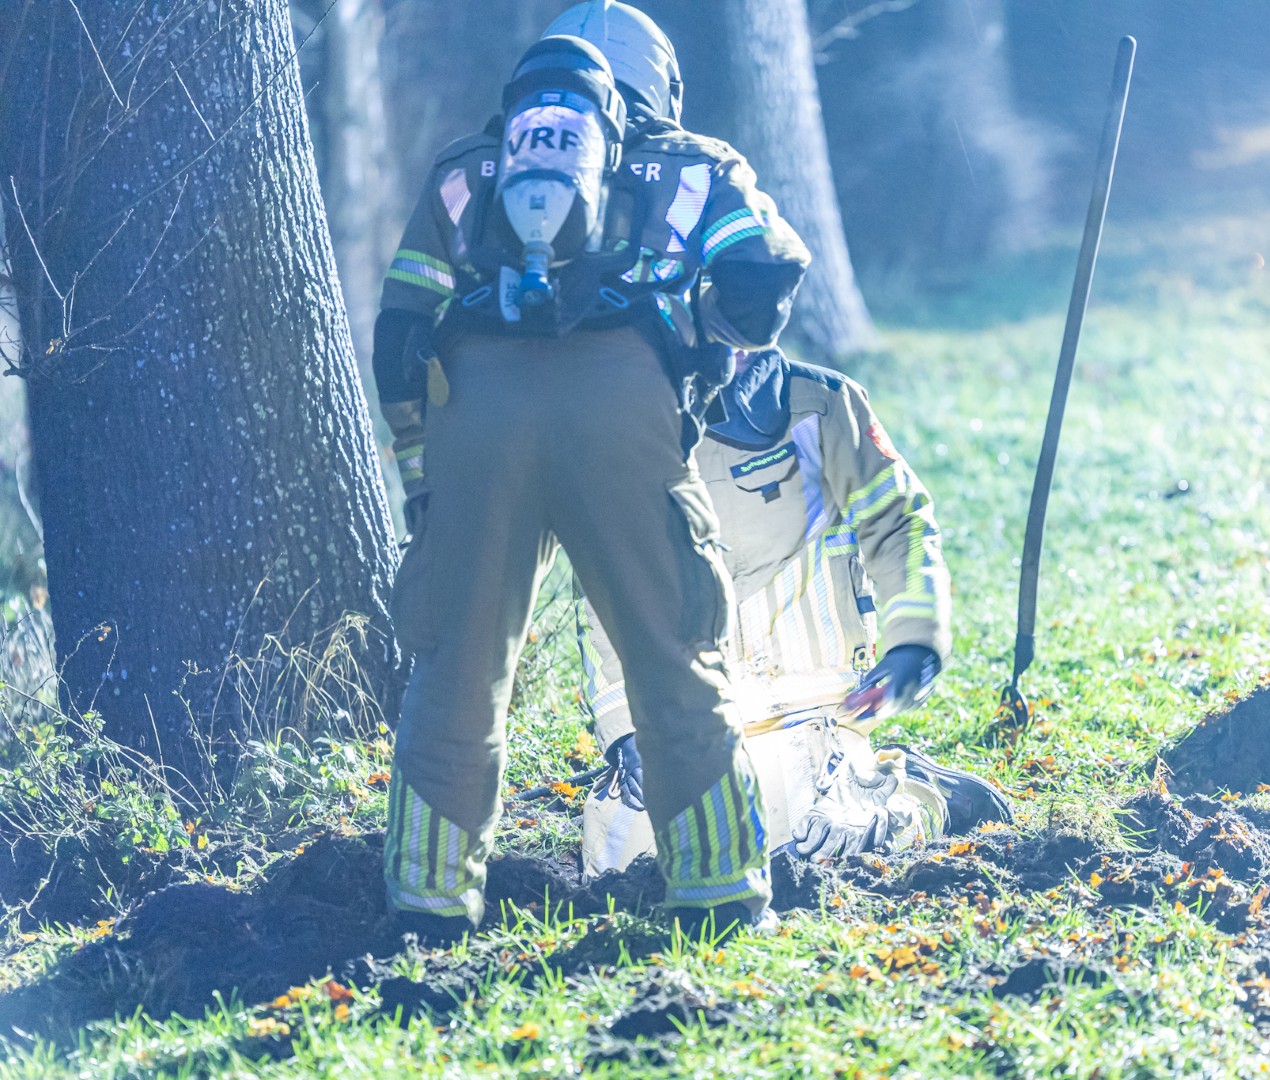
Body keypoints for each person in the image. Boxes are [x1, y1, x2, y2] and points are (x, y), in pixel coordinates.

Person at [373, 2, 810, 943]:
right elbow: (765, 276)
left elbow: (400, 335)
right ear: (657, 82)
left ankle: (428, 907)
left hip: (474, 413)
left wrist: (424, 475)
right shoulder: (696, 164)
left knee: (457, 667)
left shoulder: (467, 170)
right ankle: (723, 893)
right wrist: (706, 343)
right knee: (674, 651)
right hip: (625, 411)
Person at [576, 346, 1011, 878]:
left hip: (817, 702)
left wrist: (913, 643)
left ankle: (921, 794)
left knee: (824, 837)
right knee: (620, 860)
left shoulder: (825, 408)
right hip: (695, 713)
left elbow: (901, 525)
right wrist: (627, 729)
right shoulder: (631, 422)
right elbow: (605, 591)